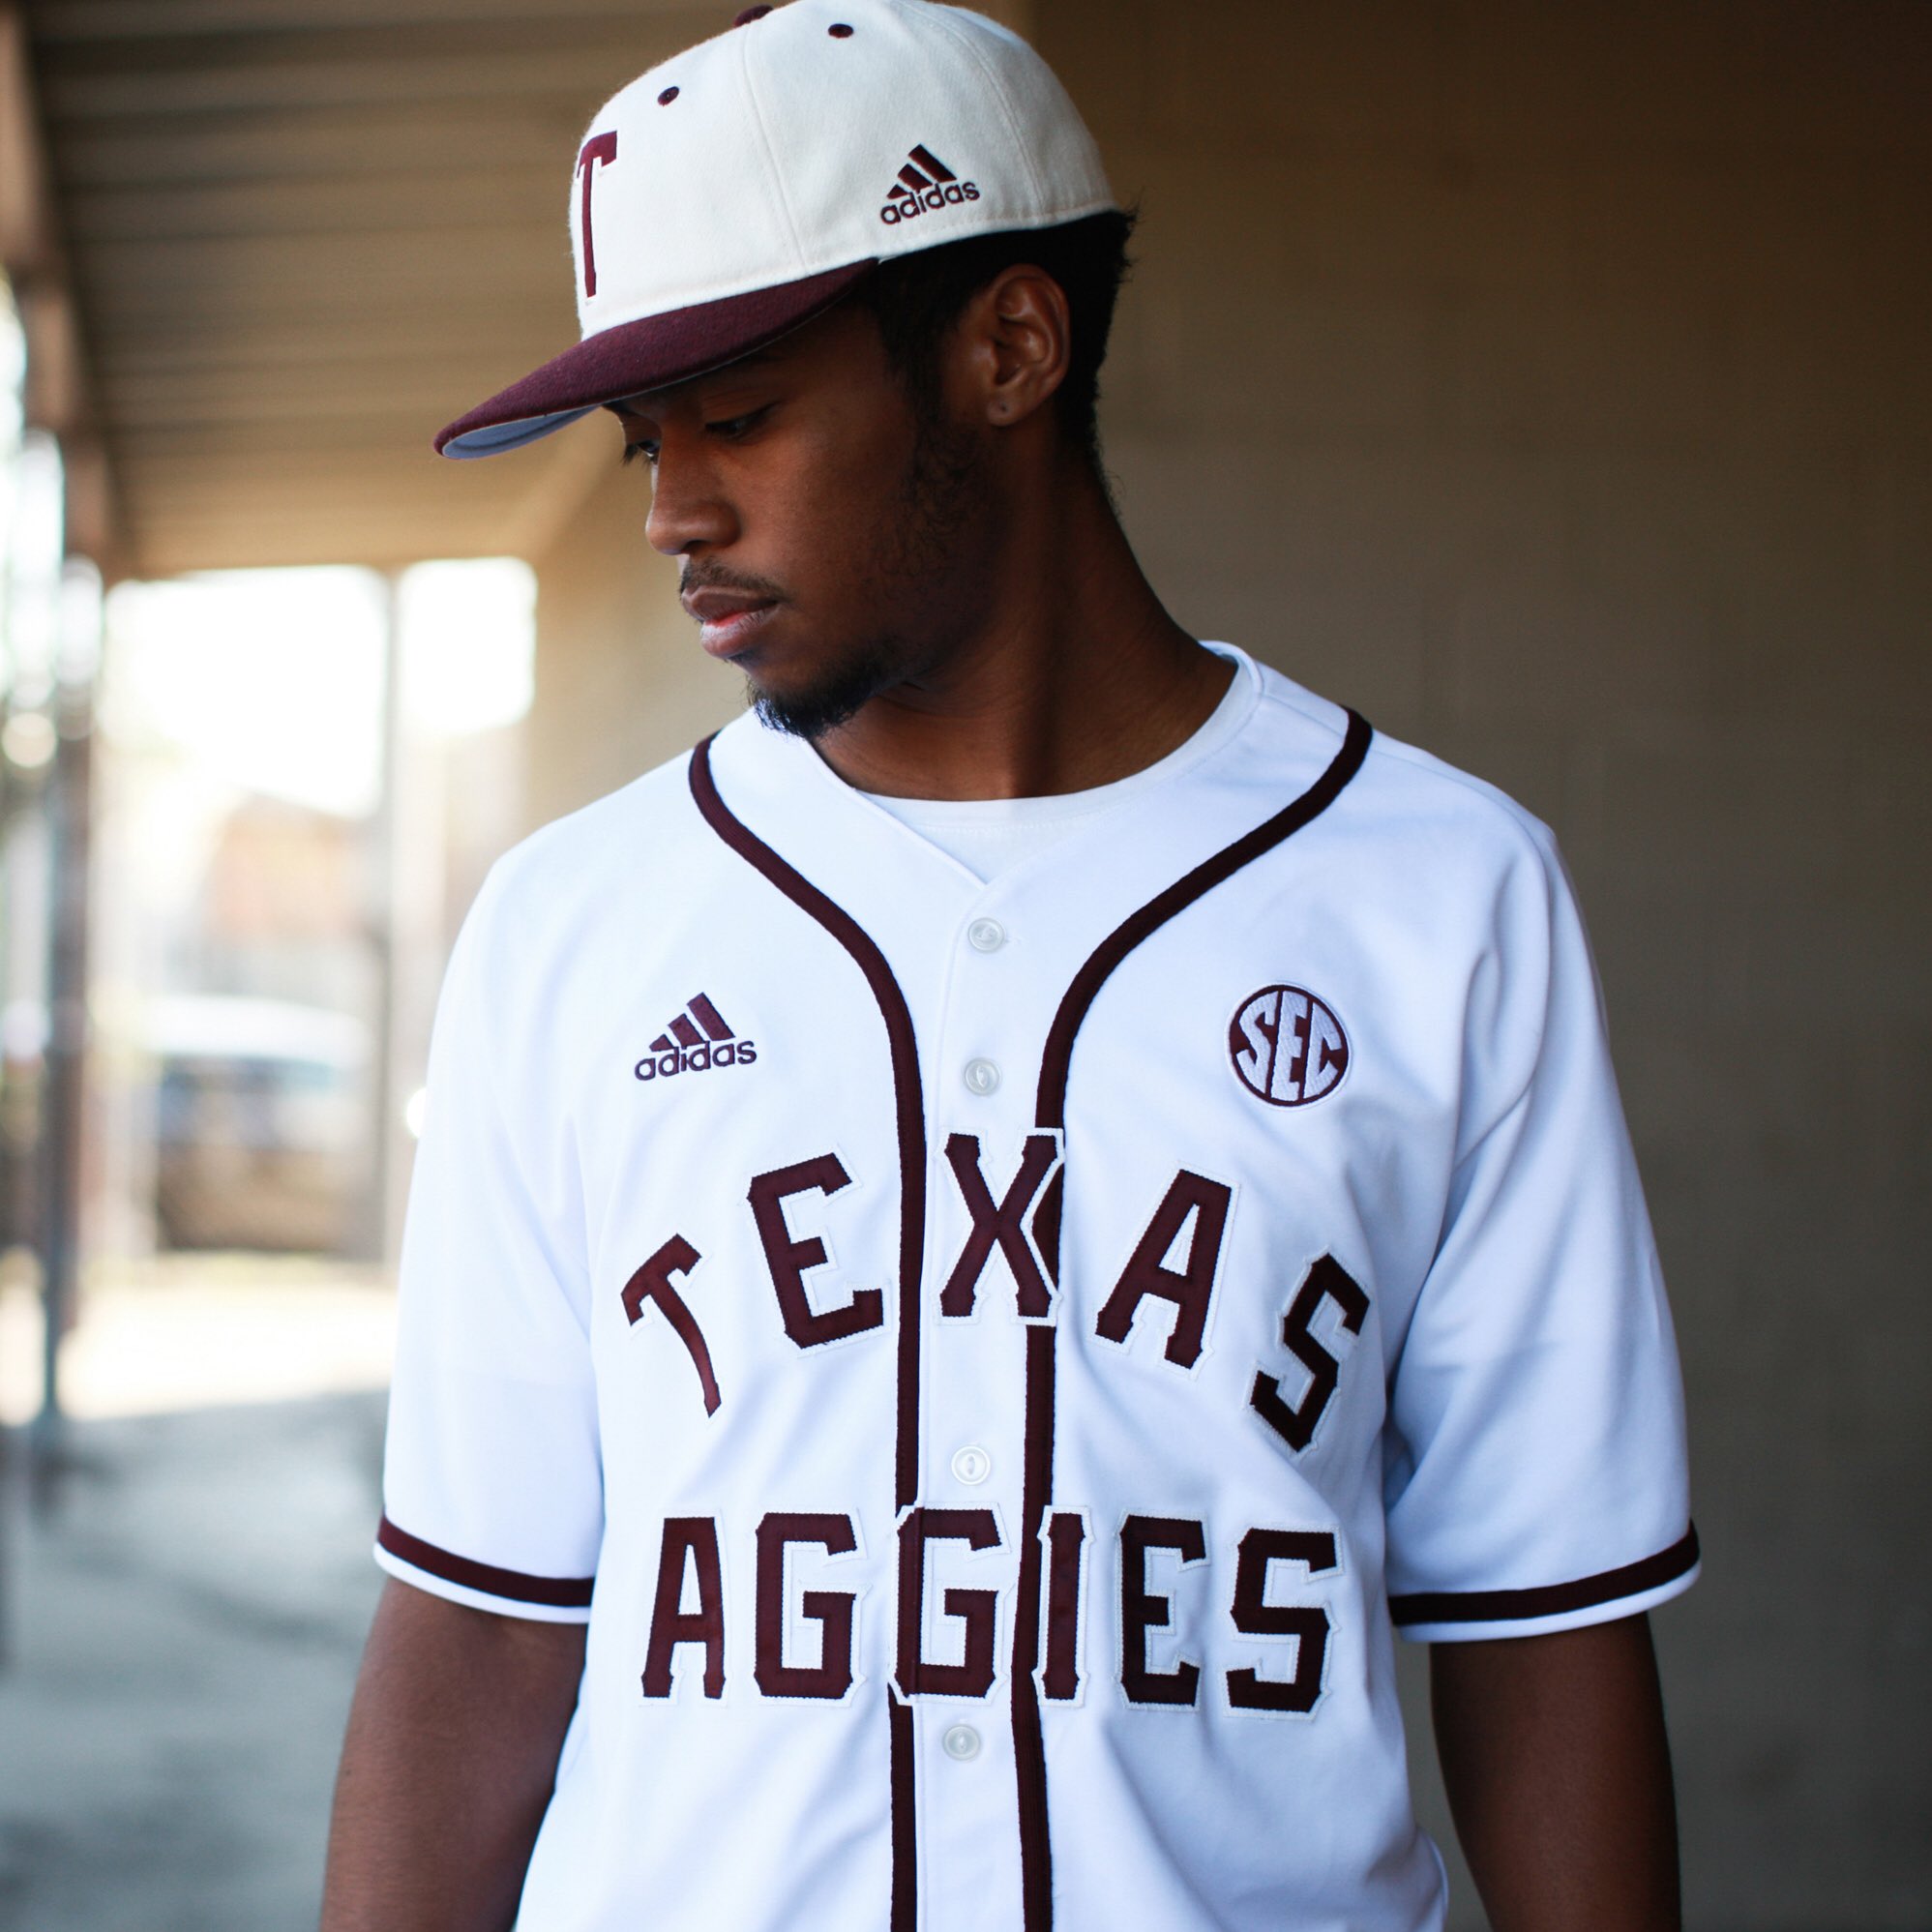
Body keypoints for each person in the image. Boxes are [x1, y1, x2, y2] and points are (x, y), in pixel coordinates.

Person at [321, 3, 1697, 1927]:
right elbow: (474, 1633)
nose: (669, 511)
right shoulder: (571, 929)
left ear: (1009, 348)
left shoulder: (1444, 900)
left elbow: (1544, 1628)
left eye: (743, 413)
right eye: (649, 438)